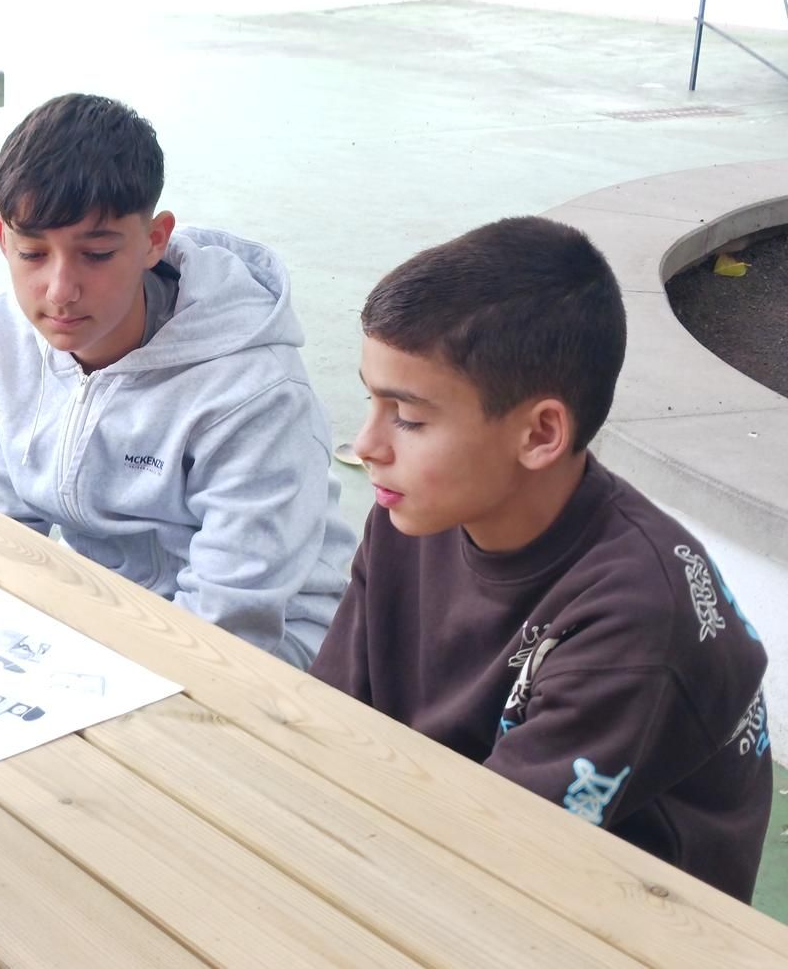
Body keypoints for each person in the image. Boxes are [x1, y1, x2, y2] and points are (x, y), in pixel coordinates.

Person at [311, 216, 771, 899]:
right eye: (371, 401)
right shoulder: (412, 513)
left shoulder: (637, 615)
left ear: (540, 434)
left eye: (409, 417)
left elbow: (490, 859)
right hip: (439, 845)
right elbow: (328, 722)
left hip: (601, 916)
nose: (368, 444)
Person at [0, 93, 355, 668]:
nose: (60, 291)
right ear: (3, 238)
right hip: (105, 609)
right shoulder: (2, 336)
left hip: (271, 645)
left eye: (97, 254)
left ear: (155, 240)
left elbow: (230, 625)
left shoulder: (255, 392)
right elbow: (1, 529)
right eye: (31, 253)